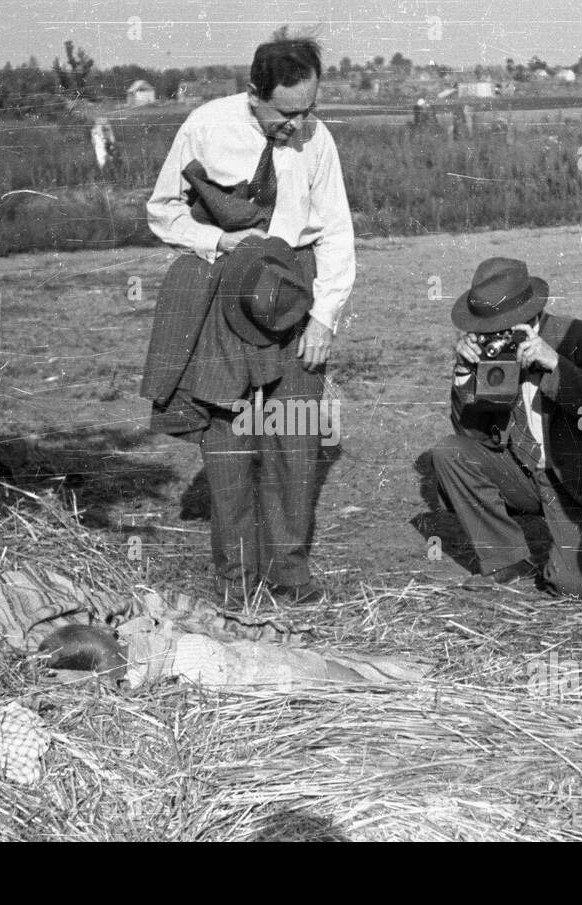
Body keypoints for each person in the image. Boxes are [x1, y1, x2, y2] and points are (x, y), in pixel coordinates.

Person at [140, 37, 356, 605]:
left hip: (294, 292)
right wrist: (219, 238)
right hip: (225, 289)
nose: (301, 123)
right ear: (255, 94)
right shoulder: (205, 126)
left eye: (310, 108)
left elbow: (335, 230)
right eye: (288, 112)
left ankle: (290, 572)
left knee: (294, 434)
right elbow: (162, 210)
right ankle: (236, 583)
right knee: (227, 436)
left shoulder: (318, 139)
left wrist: (324, 318)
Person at [432, 257, 582, 598]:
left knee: (570, 585)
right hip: (528, 475)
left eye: (503, 325)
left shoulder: (579, 337)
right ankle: (507, 559)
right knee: (449, 453)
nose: (495, 335)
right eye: (487, 328)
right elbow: (471, 436)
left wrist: (555, 365)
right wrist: (462, 373)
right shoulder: (490, 350)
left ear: (530, 315)